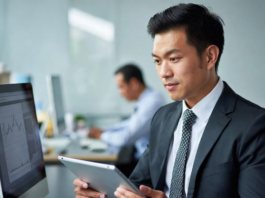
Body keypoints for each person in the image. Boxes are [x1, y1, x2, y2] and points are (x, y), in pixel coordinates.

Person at [73, 3, 265, 198]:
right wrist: (103, 194)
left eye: (174, 58)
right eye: (157, 61)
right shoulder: (163, 117)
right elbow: (139, 185)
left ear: (209, 57)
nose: (164, 73)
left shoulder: (254, 125)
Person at [88, 63, 165, 176]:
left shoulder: (152, 102)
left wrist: (101, 135)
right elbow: (129, 124)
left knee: (101, 175)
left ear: (134, 83)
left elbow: (126, 137)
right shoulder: (145, 100)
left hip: (148, 165)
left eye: (121, 87)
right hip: (141, 158)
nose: (120, 93)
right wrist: (104, 130)